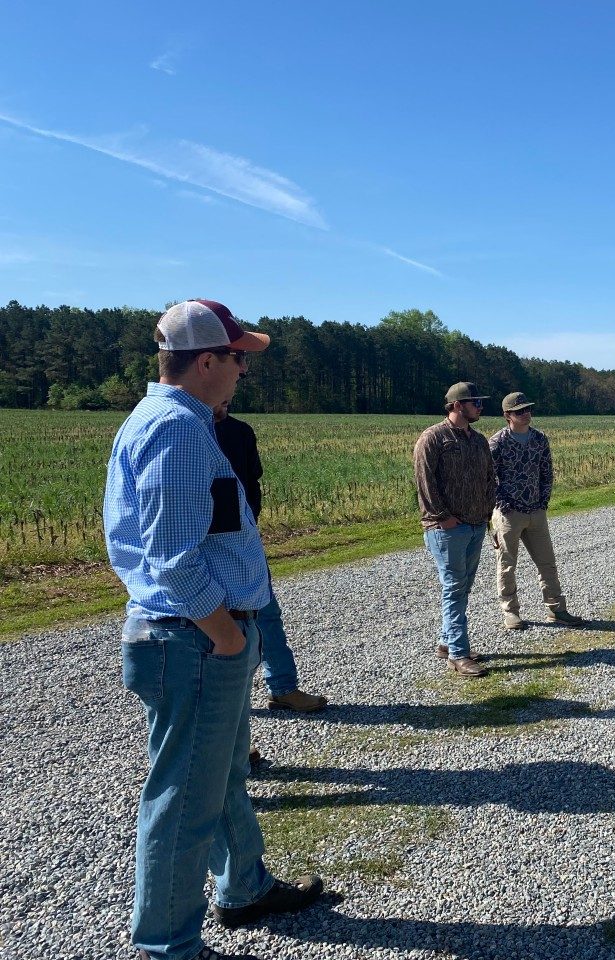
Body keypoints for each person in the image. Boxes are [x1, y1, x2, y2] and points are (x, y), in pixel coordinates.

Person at [104, 299, 322, 960]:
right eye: (237, 360)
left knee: (219, 776)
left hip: (193, 639)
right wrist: (227, 636)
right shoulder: (175, 429)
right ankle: (167, 945)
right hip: (195, 641)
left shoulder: (178, 422)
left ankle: (244, 886)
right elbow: (172, 558)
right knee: (182, 803)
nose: (240, 374)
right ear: (206, 361)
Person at [214, 402, 328, 711]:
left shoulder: (241, 432)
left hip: (245, 542)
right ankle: (228, 710)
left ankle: (283, 688)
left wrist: (249, 524)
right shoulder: (185, 431)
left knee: (266, 615)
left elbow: (253, 484)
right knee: (212, 630)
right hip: (206, 548)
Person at [414, 381, 496, 677]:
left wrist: (488, 512)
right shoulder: (433, 438)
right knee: (453, 587)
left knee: (463, 587)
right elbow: (425, 481)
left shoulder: (478, 440)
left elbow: (489, 477)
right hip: (446, 528)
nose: (480, 407)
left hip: (476, 525)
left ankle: (447, 643)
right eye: (475, 402)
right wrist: (442, 516)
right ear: (458, 405)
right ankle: (459, 655)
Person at [489, 391, 585, 630]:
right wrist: (503, 503)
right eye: (520, 411)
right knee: (507, 565)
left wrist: (543, 501)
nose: (526, 414)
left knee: (547, 563)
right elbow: (487, 478)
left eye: (528, 409)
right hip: (508, 514)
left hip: (536, 512)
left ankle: (557, 609)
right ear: (507, 415)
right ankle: (510, 612)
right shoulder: (497, 442)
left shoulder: (540, 439)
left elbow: (547, 472)